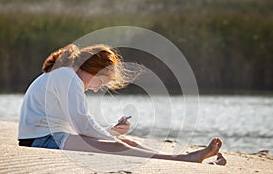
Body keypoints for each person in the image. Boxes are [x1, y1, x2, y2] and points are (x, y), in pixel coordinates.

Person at [18, 43, 227, 166]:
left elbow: (79, 125)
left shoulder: (67, 76)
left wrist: (111, 132)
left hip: (48, 137)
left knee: (126, 143)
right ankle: (185, 159)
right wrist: (111, 138)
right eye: (101, 81)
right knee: (118, 146)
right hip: (42, 140)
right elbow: (82, 125)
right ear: (95, 70)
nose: (97, 88)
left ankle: (182, 157)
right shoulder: (68, 77)